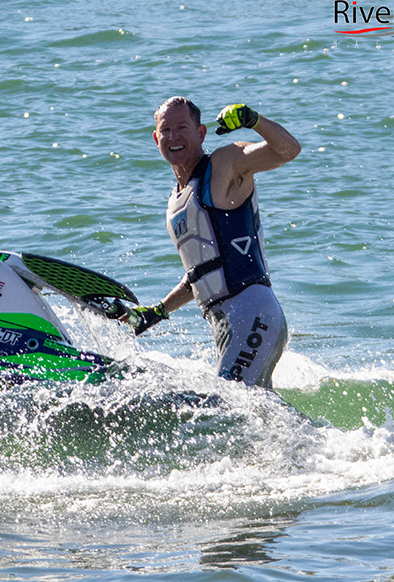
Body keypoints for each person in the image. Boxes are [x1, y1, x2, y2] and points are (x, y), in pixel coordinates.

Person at [118, 97, 300, 389]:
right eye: (165, 130)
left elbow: (289, 150)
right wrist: (159, 310)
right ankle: (332, 437)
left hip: (252, 313)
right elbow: (203, 274)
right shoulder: (177, 202)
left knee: (228, 409)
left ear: (201, 133)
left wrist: (254, 120)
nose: (173, 137)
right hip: (230, 323)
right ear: (156, 138)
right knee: (255, 418)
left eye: (182, 128)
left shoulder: (225, 165)